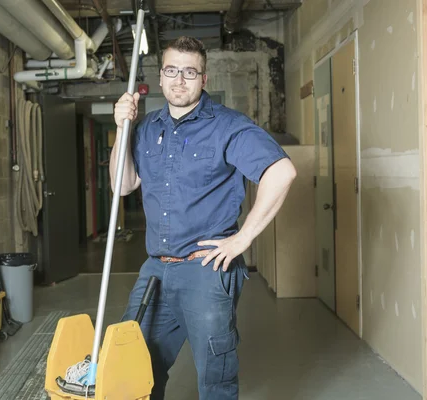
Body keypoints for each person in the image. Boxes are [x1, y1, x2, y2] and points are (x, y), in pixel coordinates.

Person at [109, 36, 297, 399]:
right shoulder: (146, 128)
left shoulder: (227, 126)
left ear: (204, 79)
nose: (180, 80)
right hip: (155, 269)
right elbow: (123, 184)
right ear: (160, 77)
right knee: (132, 364)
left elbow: (282, 172)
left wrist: (242, 240)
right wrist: (121, 129)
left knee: (215, 378)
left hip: (205, 271)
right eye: (172, 71)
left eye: (190, 72)